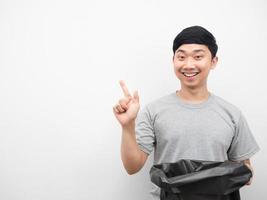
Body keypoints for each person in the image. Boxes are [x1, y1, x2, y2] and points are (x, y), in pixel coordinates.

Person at [112, 25, 260, 199]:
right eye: (181, 57)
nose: (189, 65)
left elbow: (244, 168)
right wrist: (128, 125)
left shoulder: (232, 114)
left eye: (198, 56)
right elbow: (132, 167)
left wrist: (244, 172)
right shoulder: (154, 111)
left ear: (213, 61)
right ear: (173, 60)